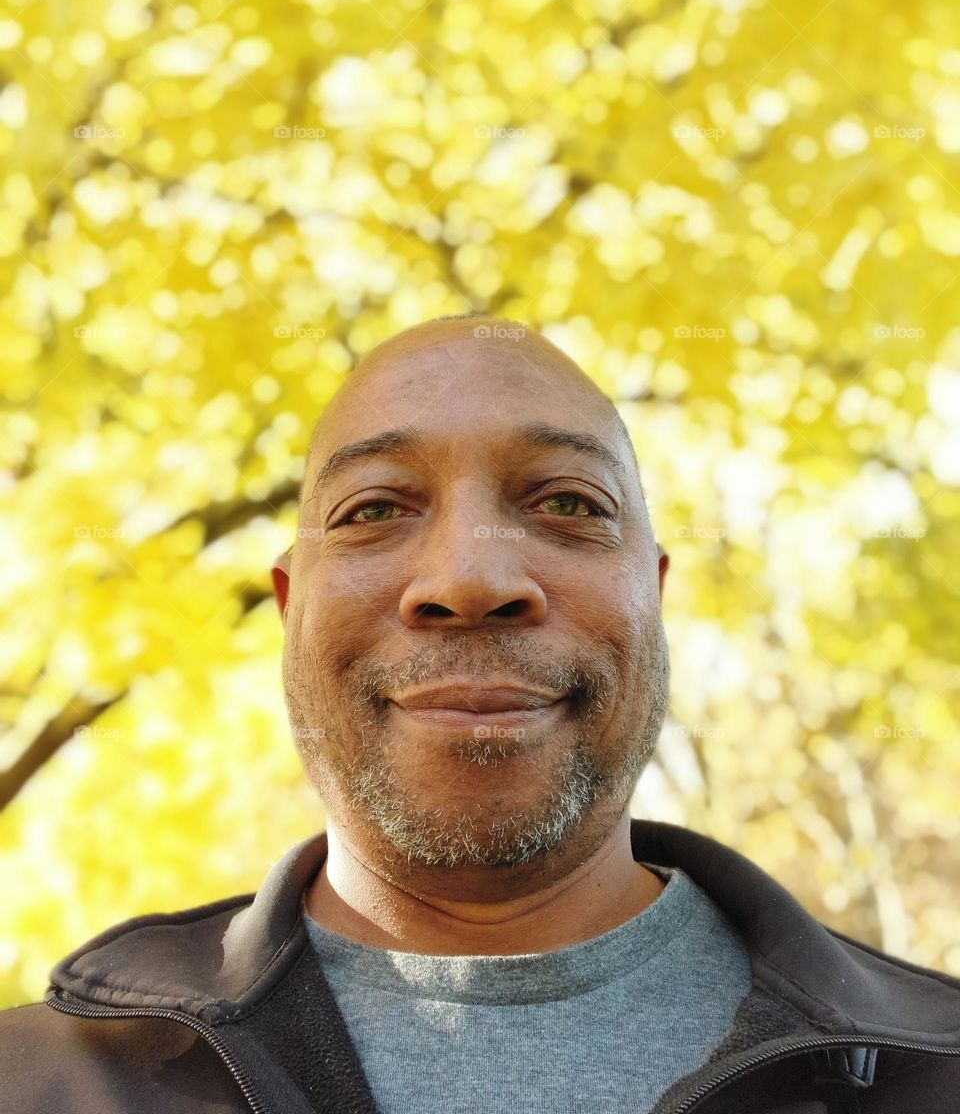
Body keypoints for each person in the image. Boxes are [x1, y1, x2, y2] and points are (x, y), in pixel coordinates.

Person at [1, 314, 958, 1113]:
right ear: (290, 611)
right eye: (374, 509)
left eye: (568, 502)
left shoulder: (934, 1073)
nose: (470, 578)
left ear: (655, 600)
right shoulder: (39, 1084)